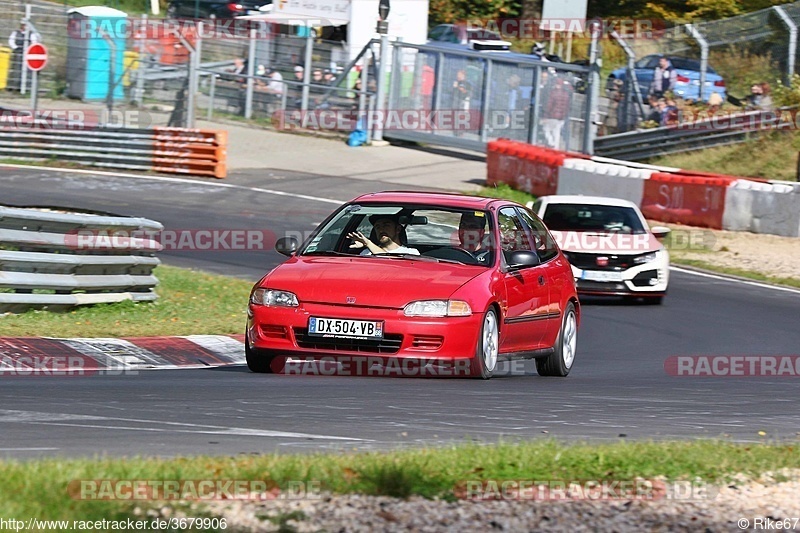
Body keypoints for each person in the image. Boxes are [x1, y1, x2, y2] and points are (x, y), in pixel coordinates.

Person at [347, 215, 420, 255]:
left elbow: (390, 262)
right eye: (377, 227)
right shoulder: (366, 253)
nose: (381, 230)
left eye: (386, 225)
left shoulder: (410, 253)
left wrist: (368, 243)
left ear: (398, 229)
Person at [541, 74, 573, 149]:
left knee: (546, 129)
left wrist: (545, 116)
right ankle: (556, 147)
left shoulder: (553, 93)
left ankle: (551, 142)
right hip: (561, 117)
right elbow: (568, 106)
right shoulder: (566, 94)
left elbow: (549, 105)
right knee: (557, 132)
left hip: (552, 116)